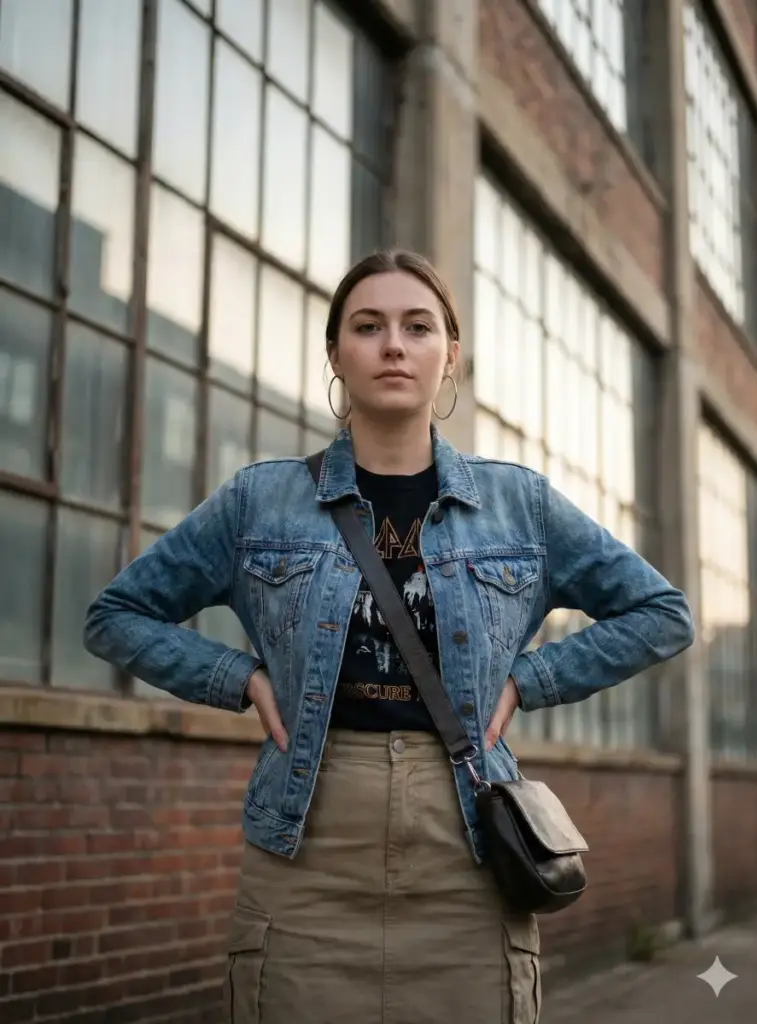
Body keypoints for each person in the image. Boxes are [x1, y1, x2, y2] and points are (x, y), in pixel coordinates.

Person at [83, 248, 694, 1024]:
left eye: (417, 326)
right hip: (306, 852)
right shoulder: (261, 501)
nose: (393, 345)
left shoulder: (521, 507)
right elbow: (116, 616)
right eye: (367, 326)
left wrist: (528, 681)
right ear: (336, 351)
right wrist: (237, 678)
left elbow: (660, 614)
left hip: (467, 852)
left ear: (450, 357)